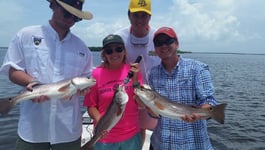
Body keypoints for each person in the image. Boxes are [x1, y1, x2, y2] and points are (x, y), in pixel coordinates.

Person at [0, 0, 94, 149]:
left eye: (76, 17)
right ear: (53, 6)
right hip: (32, 130)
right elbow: (13, 71)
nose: (71, 20)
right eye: (67, 13)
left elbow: (88, 79)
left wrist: (84, 89)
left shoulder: (82, 48)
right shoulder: (25, 35)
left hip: (68, 130)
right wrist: (33, 83)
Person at [148, 27, 219, 150]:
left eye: (168, 41)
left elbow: (209, 101)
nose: (163, 46)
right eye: (158, 43)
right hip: (160, 143)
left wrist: (203, 112)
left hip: (193, 145)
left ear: (177, 43)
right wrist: (147, 105)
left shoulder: (198, 68)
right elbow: (156, 114)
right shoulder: (153, 73)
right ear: (155, 48)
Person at [83, 34, 143, 150]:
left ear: (124, 51)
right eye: (109, 51)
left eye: (118, 49)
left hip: (131, 135)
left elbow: (141, 103)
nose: (114, 54)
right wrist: (100, 121)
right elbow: (90, 105)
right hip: (105, 138)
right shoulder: (96, 74)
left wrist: (135, 79)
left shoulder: (133, 72)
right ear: (104, 54)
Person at [115, 0, 160, 144]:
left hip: (153, 96)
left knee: (154, 131)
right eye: (135, 15)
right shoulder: (119, 37)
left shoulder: (158, 38)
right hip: (128, 95)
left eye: (144, 15)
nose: (139, 20)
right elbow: (109, 64)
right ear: (129, 16)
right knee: (129, 133)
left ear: (150, 17)